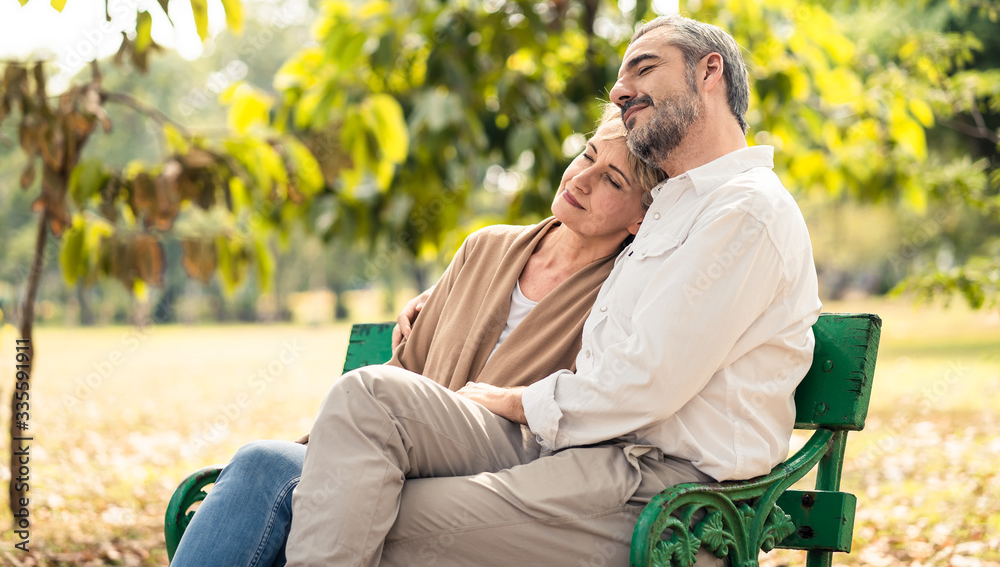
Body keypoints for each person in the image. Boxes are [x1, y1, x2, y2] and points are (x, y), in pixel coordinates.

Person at [282, 15, 821, 567]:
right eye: (618, 78)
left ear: (710, 72)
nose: (618, 90)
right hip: (580, 451)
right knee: (368, 396)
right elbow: (566, 265)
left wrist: (513, 399)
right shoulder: (669, 209)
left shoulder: (746, 210)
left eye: (644, 67)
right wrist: (447, 297)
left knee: (391, 514)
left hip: (668, 493)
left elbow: (645, 382)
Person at [168, 109, 668, 567]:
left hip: (500, 479)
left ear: (640, 217)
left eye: (611, 180)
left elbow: (593, 407)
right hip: (391, 445)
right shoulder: (486, 247)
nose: (580, 179)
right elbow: (404, 370)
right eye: (586, 155)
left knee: (328, 437)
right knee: (262, 461)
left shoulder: (623, 293)